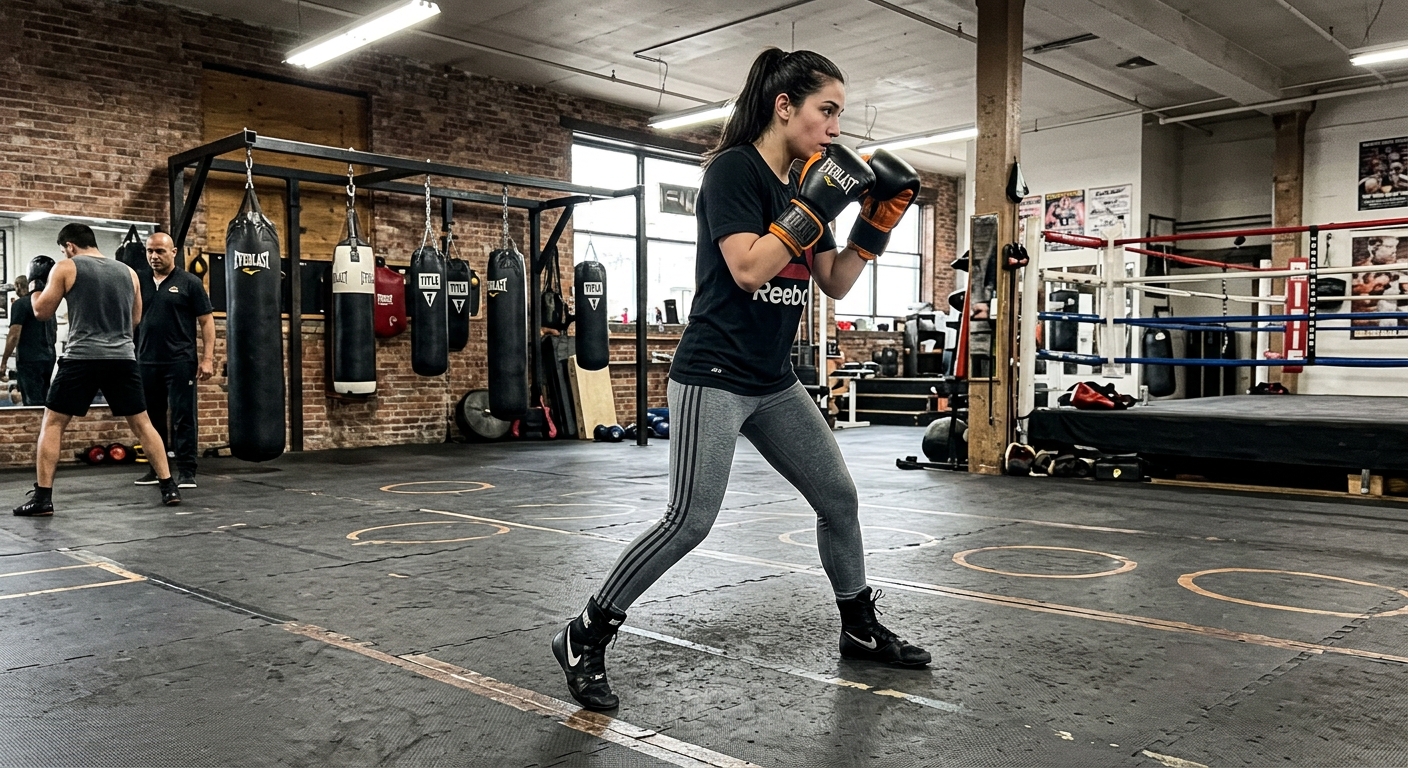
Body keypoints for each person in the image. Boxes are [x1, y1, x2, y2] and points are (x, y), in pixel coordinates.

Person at [552, 47, 928, 712]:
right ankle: (587, 632)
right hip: (714, 374)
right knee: (689, 520)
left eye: (839, 113)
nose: (836, 127)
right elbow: (750, 268)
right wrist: (813, 206)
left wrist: (875, 225)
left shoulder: (813, 182)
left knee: (838, 500)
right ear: (785, 107)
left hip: (773, 379)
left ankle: (859, 630)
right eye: (827, 110)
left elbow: (834, 279)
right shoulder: (734, 172)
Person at [13, 223, 180, 516]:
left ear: (69, 246)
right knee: (142, 424)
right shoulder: (129, 272)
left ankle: (42, 499)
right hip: (123, 358)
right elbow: (136, 318)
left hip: (81, 358)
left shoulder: (66, 267)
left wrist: (37, 286)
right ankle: (169, 488)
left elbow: (41, 311)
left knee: (52, 424)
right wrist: (114, 338)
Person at [133, 232, 214, 489]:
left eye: (160, 251)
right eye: (150, 251)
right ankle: (156, 469)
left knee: (182, 416)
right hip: (145, 361)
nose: (154, 256)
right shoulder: (138, 281)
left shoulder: (189, 282)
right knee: (150, 420)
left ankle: (187, 471)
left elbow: (206, 321)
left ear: (174, 252)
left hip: (180, 360)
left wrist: (208, 358)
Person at [2, 257, 58, 406]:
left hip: (30, 360)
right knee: (45, 399)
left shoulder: (20, 304)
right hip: (49, 357)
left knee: (33, 402)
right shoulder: (47, 302)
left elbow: (14, 335)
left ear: (19, 286)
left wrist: (3, 362)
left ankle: (39, 429)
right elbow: (54, 331)